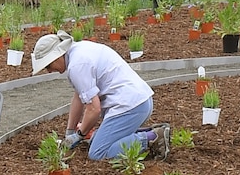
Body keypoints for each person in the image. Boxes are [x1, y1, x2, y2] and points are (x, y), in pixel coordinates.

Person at [30, 30, 171, 161]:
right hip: (140, 101)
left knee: (98, 153)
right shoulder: (79, 51)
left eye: (48, 65)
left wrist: (79, 135)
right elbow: (79, 97)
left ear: (56, 55)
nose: (49, 70)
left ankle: (153, 137)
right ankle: (151, 132)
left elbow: (94, 109)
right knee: (95, 139)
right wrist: (70, 133)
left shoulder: (77, 66)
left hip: (130, 107)